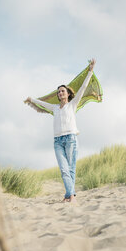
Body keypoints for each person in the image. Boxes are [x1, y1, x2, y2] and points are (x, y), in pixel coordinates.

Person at [25, 59, 96, 203]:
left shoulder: (72, 105)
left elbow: (83, 88)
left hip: (71, 138)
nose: (60, 93)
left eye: (62, 91)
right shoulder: (55, 108)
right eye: (58, 92)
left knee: (70, 169)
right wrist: (31, 99)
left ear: (68, 94)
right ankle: (71, 195)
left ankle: (69, 196)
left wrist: (90, 71)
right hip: (57, 141)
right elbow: (42, 104)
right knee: (64, 169)